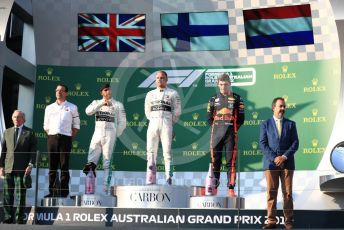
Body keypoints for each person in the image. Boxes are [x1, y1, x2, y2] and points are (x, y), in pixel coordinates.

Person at [259, 97, 299, 230]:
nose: (282, 109)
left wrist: (284, 157)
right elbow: (262, 144)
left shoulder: (291, 124)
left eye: (284, 106)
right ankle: (271, 221)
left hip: (287, 164)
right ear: (273, 107)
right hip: (271, 164)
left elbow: (295, 143)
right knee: (271, 192)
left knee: (287, 193)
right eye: (280, 106)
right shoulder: (265, 124)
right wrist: (275, 158)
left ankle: (288, 221)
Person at [83, 83, 126, 194]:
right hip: (97, 134)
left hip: (110, 134)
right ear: (101, 92)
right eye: (105, 90)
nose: (108, 92)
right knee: (91, 162)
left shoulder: (118, 104)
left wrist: (115, 134)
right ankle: (89, 189)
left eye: (109, 90)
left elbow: (123, 123)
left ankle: (106, 190)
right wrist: (102, 103)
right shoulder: (96, 102)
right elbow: (87, 112)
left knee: (107, 163)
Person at [207, 73, 245, 197]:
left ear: (230, 84)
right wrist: (219, 127)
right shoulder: (212, 99)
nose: (223, 87)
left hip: (230, 134)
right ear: (218, 85)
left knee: (231, 162)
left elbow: (241, 119)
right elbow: (209, 119)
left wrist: (231, 128)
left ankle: (231, 188)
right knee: (215, 161)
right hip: (216, 134)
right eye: (221, 84)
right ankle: (214, 188)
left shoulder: (237, 98)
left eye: (226, 84)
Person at [0, 110, 37, 224]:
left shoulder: (30, 133)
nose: (16, 119)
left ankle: (20, 218)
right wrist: (1, 166)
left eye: (19, 117)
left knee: (20, 195)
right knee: (7, 195)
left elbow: (33, 151)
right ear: (12, 119)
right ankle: (8, 217)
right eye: (15, 117)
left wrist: (30, 165)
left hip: (22, 169)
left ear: (23, 119)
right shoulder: (7, 132)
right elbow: (4, 151)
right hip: (8, 168)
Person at [43, 84, 80, 197]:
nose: (58, 92)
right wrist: (52, 137)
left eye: (61, 91)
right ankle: (52, 192)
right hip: (52, 138)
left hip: (65, 138)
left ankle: (64, 193)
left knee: (64, 167)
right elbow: (46, 126)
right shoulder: (49, 107)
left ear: (66, 93)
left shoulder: (72, 107)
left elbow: (76, 126)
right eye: (57, 90)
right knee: (52, 167)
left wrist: (69, 138)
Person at [145, 70, 181, 185]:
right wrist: (154, 119)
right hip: (153, 124)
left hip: (166, 124)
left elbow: (178, 111)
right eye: (157, 78)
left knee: (167, 152)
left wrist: (170, 122)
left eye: (162, 78)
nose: (159, 80)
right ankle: (151, 178)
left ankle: (168, 177)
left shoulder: (173, 93)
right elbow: (147, 111)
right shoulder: (150, 94)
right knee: (150, 152)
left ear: (166, 80)